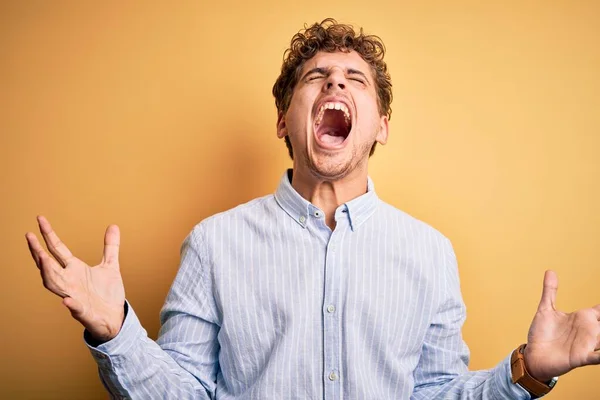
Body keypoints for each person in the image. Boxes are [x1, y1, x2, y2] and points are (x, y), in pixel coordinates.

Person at [26, 19, 600, 399]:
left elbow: (437, 393)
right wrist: (115, 332)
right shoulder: (214, 243)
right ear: (284, 120)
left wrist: (529, 371)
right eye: (316, 78)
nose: (336, 86)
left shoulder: (430, 253)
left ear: (380, 126)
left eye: (356, 80)